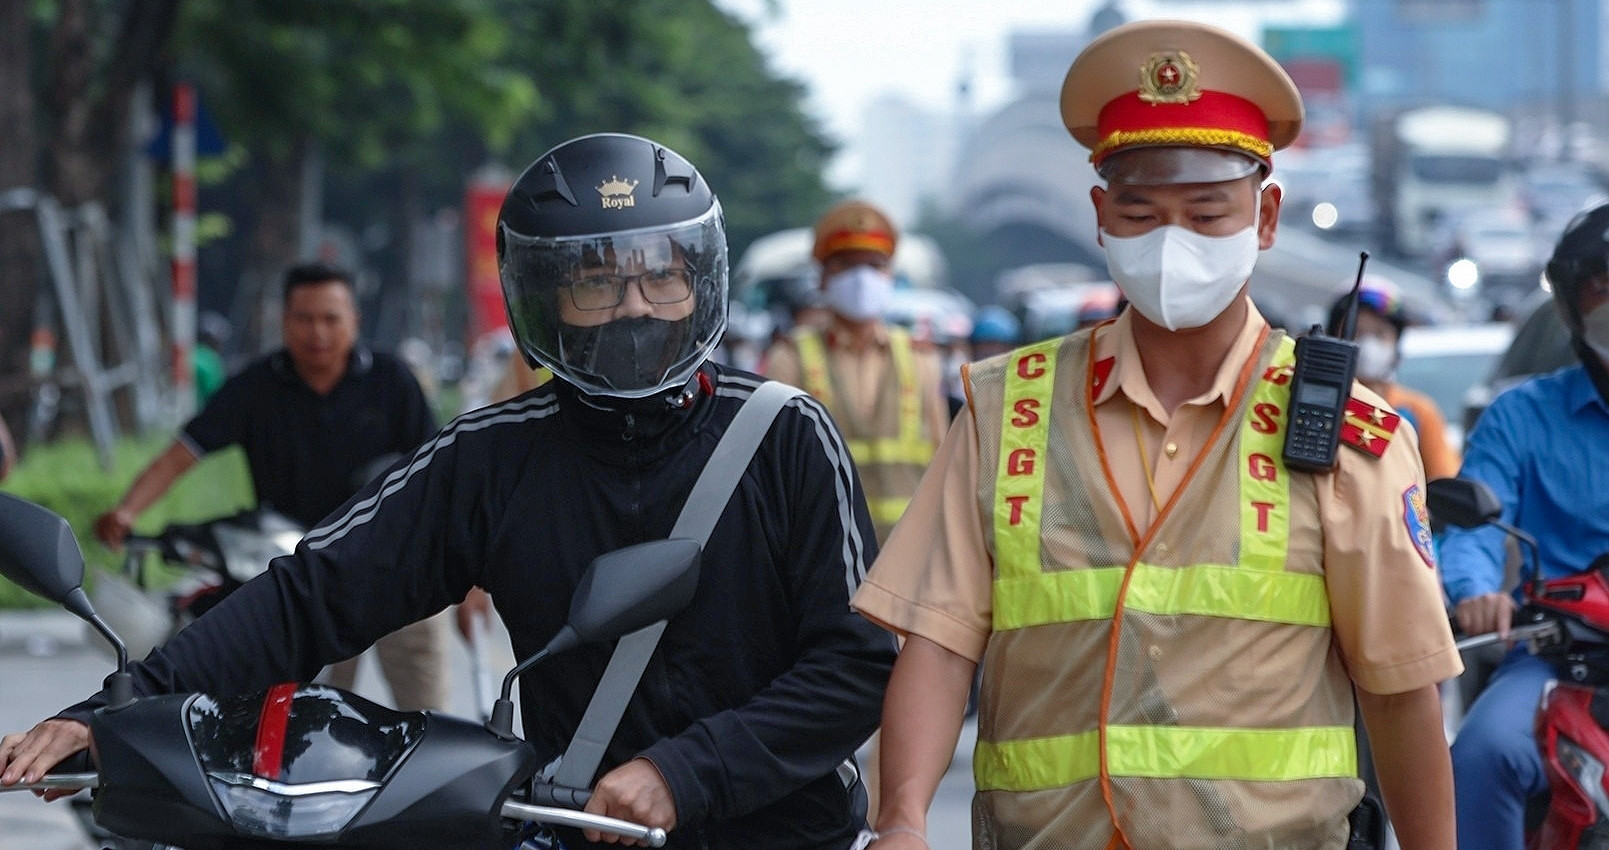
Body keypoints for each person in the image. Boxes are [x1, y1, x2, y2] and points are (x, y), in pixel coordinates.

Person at [1, 133, 895, 850]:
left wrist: (684, 773)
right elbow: (314, 594)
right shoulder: (490, 456)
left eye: (659, 275)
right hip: (579, 829)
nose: (634, 305)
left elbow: (854, 662)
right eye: (595, 280)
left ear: (698, 285)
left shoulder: (784, 432)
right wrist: (111, 709)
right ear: (542, 299)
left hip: (788, 831)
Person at [850, 20, 1460, 850]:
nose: (1172, 241)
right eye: (1139, 210)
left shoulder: (1353, 438)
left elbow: (1399, 688)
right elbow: (939, 638)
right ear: (1099, 216)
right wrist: (902, 820)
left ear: (1266, 215)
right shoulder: (1006, 412)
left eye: (1207, 211)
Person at [88, 261, 453, 713]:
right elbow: (184, 452)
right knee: (311, 713)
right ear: (284, 322)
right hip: (304, 571)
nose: (317, 332)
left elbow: (444, 473)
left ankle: (429, 782)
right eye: (304, 318)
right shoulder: (255, 386)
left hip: (397, 564)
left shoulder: (392, 381)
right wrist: (128, 511)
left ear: (354, 321)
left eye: (330, 318)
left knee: (426, 711)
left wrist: (470, 569)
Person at [1441, 201, 1609, 849]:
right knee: (1482, 756)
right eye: (1602, 286)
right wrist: (1474, 592)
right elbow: (1475, 524)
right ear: (1570, 305)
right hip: (1554, 656)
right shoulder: (1520, 417)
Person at [761, 200, 950, 544]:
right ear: (822, 278)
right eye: (846, 265)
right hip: (823, 550)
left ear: (890, 277)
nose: (861, 278)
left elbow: (942, 463)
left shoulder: (922, 359)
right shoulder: (790, 357)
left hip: (906, 552)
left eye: (874, 265)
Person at [1326, 277, 1461, 480]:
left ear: (1396, 347)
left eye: (1380, 334)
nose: (1368, 344)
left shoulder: (1416, 411)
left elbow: (1445, 484)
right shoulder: (1314, 398)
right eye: (1356, 332)